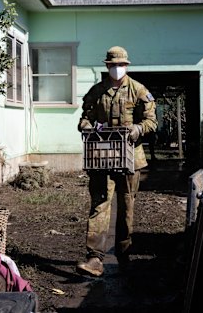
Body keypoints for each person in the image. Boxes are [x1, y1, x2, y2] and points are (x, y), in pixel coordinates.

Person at [76, 46, 157, 277]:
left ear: (126, 66)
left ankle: (124, 255)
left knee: (126, 207)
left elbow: (152, 121)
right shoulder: (97, 92)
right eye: (112, 65)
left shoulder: (138, 90)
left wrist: (138, 128)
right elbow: (85, 118)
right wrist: (87, 127)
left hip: (131, 158)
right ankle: (94, 258)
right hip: (102, 157)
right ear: (107, 66)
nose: (116, 69)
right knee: (100, 204)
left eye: (120, 65)